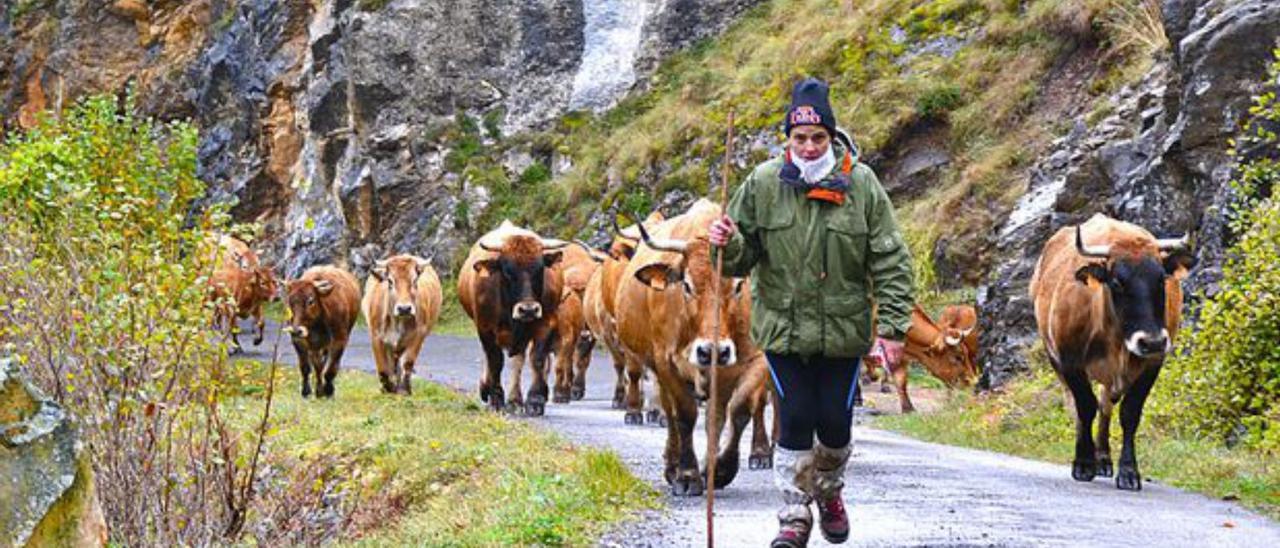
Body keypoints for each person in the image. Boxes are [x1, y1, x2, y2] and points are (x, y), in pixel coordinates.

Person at [710, 77, 914, 547]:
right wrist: (726, 240)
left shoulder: (861, 184)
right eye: (799, 138)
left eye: (817, 137)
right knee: (796, 416)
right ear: (788, 139)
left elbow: (890, 258)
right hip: (781, 327)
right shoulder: (762, 183)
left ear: (832, 137)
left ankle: (829, 491)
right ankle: (793, 513)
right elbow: (739, 258)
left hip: (844, 330)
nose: (807, 147)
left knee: (836, 425)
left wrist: (895, 326)